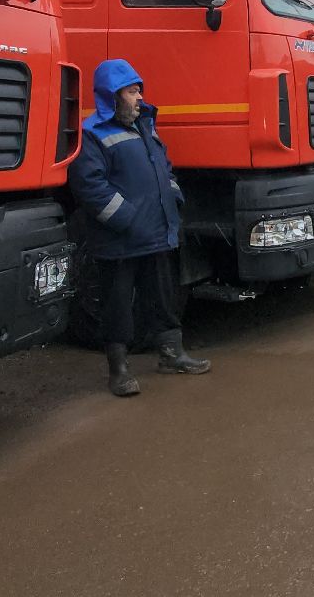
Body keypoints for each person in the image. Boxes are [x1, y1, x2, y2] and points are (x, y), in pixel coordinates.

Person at [67, 59, 210, 396]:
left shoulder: (145, 125)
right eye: (132, 92)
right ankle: (119, 371)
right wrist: (128, 220)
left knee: (163, 298)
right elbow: (89, 186)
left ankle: (172, 354)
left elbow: (166, 167)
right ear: (111, 96)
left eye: (139, 90)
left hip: (155, 234)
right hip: (119, 242)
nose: (139, 98)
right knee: (117, 306)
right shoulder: (92, 135)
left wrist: (173, 197)